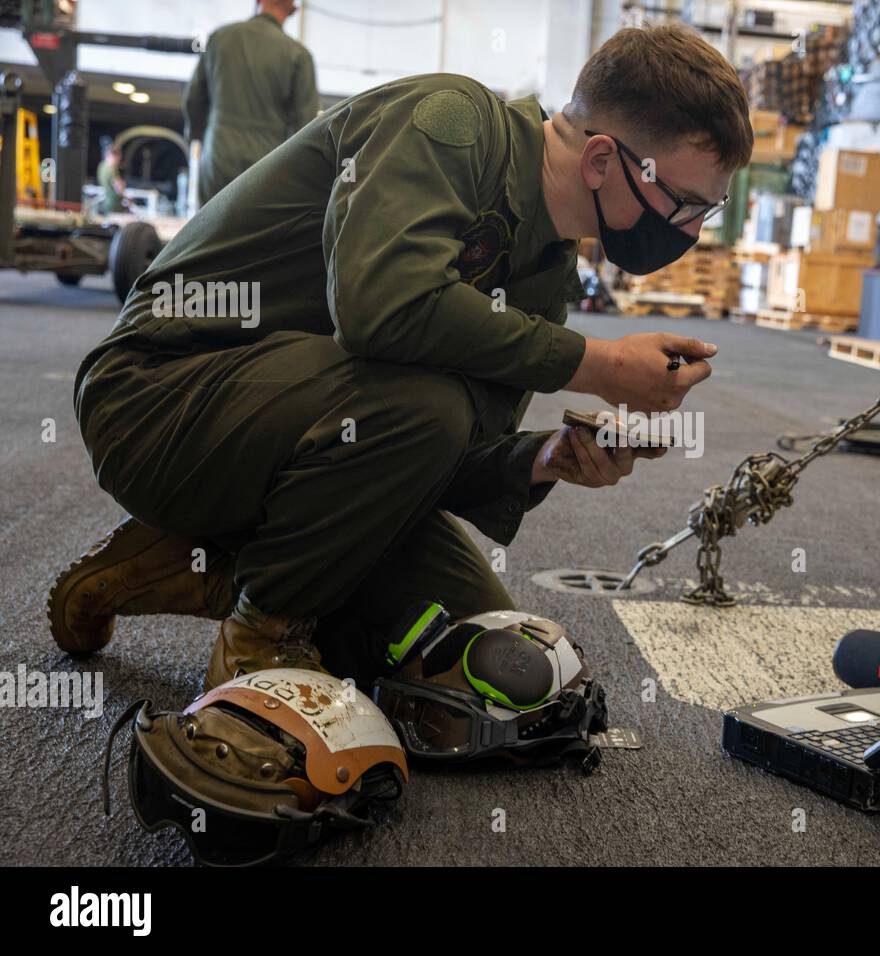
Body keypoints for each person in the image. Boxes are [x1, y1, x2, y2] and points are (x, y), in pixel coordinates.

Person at [50, 23, 752, 692]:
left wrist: (540, 458)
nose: (687, 231)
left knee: (482, 649)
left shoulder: (545, 270)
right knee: (422, 407)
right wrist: (595, 364)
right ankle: (261, 634)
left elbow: (440, 455)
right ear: (601, 159)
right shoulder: (450, 121)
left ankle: (174, 566)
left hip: (299, 434)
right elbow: (381, 308)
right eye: (684, 202)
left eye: (703, 212)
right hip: (155, 402)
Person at [183, 0, 318, 206]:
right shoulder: (298, 55)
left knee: (209, 231)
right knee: (257, 235)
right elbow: (307, 127)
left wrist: (200, 137)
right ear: (293, 10)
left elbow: (193, 99)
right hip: (266, 167)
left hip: (218, 156)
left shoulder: (220, 39)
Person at [96, 139, 126, 215]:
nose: (119, 161)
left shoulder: (102, 166)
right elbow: (119, 188)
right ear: (114, 156)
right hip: (115, 205)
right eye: (119, 158)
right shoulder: (112, 169)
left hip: (106, 203)